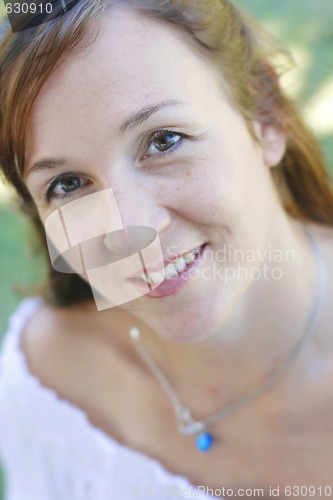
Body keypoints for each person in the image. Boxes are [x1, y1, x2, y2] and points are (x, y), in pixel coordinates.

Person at [0, 0, 333, 498]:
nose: (128, 230)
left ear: (266, 114)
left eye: (164, 140)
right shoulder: (47, 383)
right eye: (68, 184)